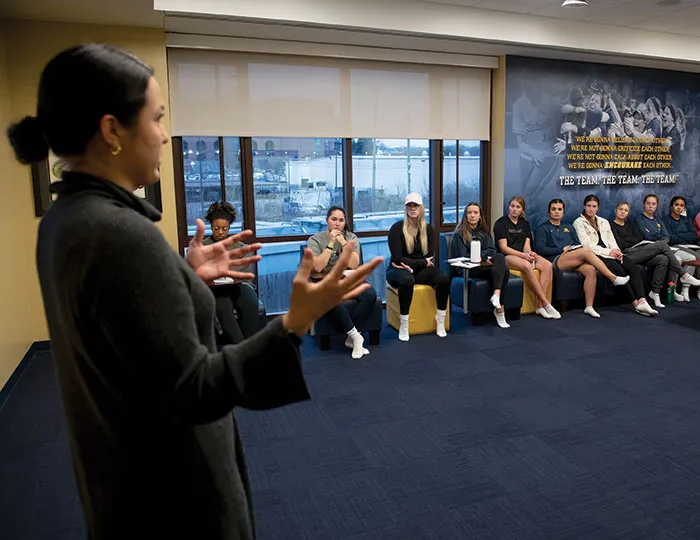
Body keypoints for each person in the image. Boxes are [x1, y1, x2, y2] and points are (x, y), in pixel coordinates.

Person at [6, 43, 382, 540]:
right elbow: (194, 389)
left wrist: (183, 273)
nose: (165, 137)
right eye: (158, 118)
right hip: (173, 495)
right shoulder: (120, 235)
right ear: (111, 130)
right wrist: (294, 322)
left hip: (120, 475)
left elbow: (128, 341)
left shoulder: (65, 220)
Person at [535, 198, 629, 318]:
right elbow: (541, 249)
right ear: (549, 212)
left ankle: (589, 306)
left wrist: (572, 249)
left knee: (590, 270)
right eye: (553, 209)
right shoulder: (542, 228)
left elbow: (577, 242)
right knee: (586, 251)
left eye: (559, 209)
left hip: (573, 257)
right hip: (556, 259)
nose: (556, 212)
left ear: (563, 212)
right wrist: (561, 249)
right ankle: (613, 278)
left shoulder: (568, 227)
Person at [307, 206, 378, 358]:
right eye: (334, 219)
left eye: (341, 220)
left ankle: (352, 338)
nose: (337, 224)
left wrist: (343, 242)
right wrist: (331, 244)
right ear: (327, 221)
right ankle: (356, 338)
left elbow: (353, 264)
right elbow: (318, 267)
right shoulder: (315, 240)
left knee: (370, 294)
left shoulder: (351, 238)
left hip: (347, 278)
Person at [573, 195, 657, 317]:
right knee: (618, 270)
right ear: (584, 207)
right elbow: (587, 245)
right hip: (596, 255)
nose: (591, 209)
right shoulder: (578, 223)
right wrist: (608, 253)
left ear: (598, 208)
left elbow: (611, 240)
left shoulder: (603, 222)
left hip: (611, 252)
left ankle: (643, 301)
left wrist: (617, 251)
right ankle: (635, 304)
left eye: (594, 206)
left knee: (632, 266)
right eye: (589, 206)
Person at [386, 192, 449, 341]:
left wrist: (417, 263)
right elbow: (397, 258)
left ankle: (440, 319)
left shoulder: (428, 229)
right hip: (396, 270)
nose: (412, 208)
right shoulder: (396, 228)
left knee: (443, 278)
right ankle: (404, 323)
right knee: (407, 280)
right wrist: (422, 262)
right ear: (405, 208)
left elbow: (430, 256)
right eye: (409, 205)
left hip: (419, 270)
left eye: (415, 205)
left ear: (421, 208)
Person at [611, 201, 696, 306]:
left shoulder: (631, 224)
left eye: (625, 210)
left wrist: (630, 240)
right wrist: (631, 240)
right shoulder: (611, 225)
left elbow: (639, 238)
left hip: (640, 249)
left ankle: (655, 292)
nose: (623, 212)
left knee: (663, 259)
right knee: (662, 245)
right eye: (620, 209)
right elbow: (620, 243)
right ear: (616, 211)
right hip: (626, 254)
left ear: (628, 213)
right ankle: (683, 274)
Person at [494, 196, 560, 319]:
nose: (514, 209)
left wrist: (530, 254)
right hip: (507, 257)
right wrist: (524, 256)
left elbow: (527, 245)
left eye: (517, 207)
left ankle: (540, 307)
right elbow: (504, 248)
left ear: (522, 210)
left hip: (522, 255)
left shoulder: (525, 224)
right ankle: (546, 302)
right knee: (527, 265)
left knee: (547, 265)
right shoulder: (500, 223)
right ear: (508, 207)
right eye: (512, 206)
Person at [203, 201, 260, 344]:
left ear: (229, 227)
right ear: (211, 227)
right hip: (214, 289)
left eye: (224, 228)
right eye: (217, 228)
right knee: (223, 305)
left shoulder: (241, 248)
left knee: (251, 302)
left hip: (240, 286)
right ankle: (242, 349)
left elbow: (246, 272)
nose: (220, 232)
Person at [451, 202, 511, 328]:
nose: (472, 215)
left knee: (500, 258)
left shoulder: (484, 232)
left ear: (480, 216)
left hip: (482, 266)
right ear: (465, 215)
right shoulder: (459, 234)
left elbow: (492, 250)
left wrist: (482, 258)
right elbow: (463, 255)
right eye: (469, 213)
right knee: (504, 271)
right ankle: (500, 310)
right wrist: (483, 257)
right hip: (467, 269)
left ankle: (496, 296)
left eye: (475, 213)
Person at [635, 193, 700, 301]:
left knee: (693, 257)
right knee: (678, 259)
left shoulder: (658, 220)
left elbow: (667, 237)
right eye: (648, 203)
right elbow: (648, 236)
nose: (651, 206)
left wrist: (661, 238)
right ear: (644, 205)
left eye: (653, 204)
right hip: (651, 248)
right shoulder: (640, 219)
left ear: (656, 206)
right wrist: (661, 238)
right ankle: (676, 285)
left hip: (666, 246)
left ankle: (681, 287)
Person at [663, 195, 700, 301]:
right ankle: (685, 286)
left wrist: (679, 235)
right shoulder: (666, 220)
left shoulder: (686, 219)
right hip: (675, 246)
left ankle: (690, 289)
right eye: (676, 205)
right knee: (695, 257)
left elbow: (693, 235)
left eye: (682, 206)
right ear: (671, 206)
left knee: (697, 253)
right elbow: (671, 238)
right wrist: (684, 235)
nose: (679, 207)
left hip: (689, 245)